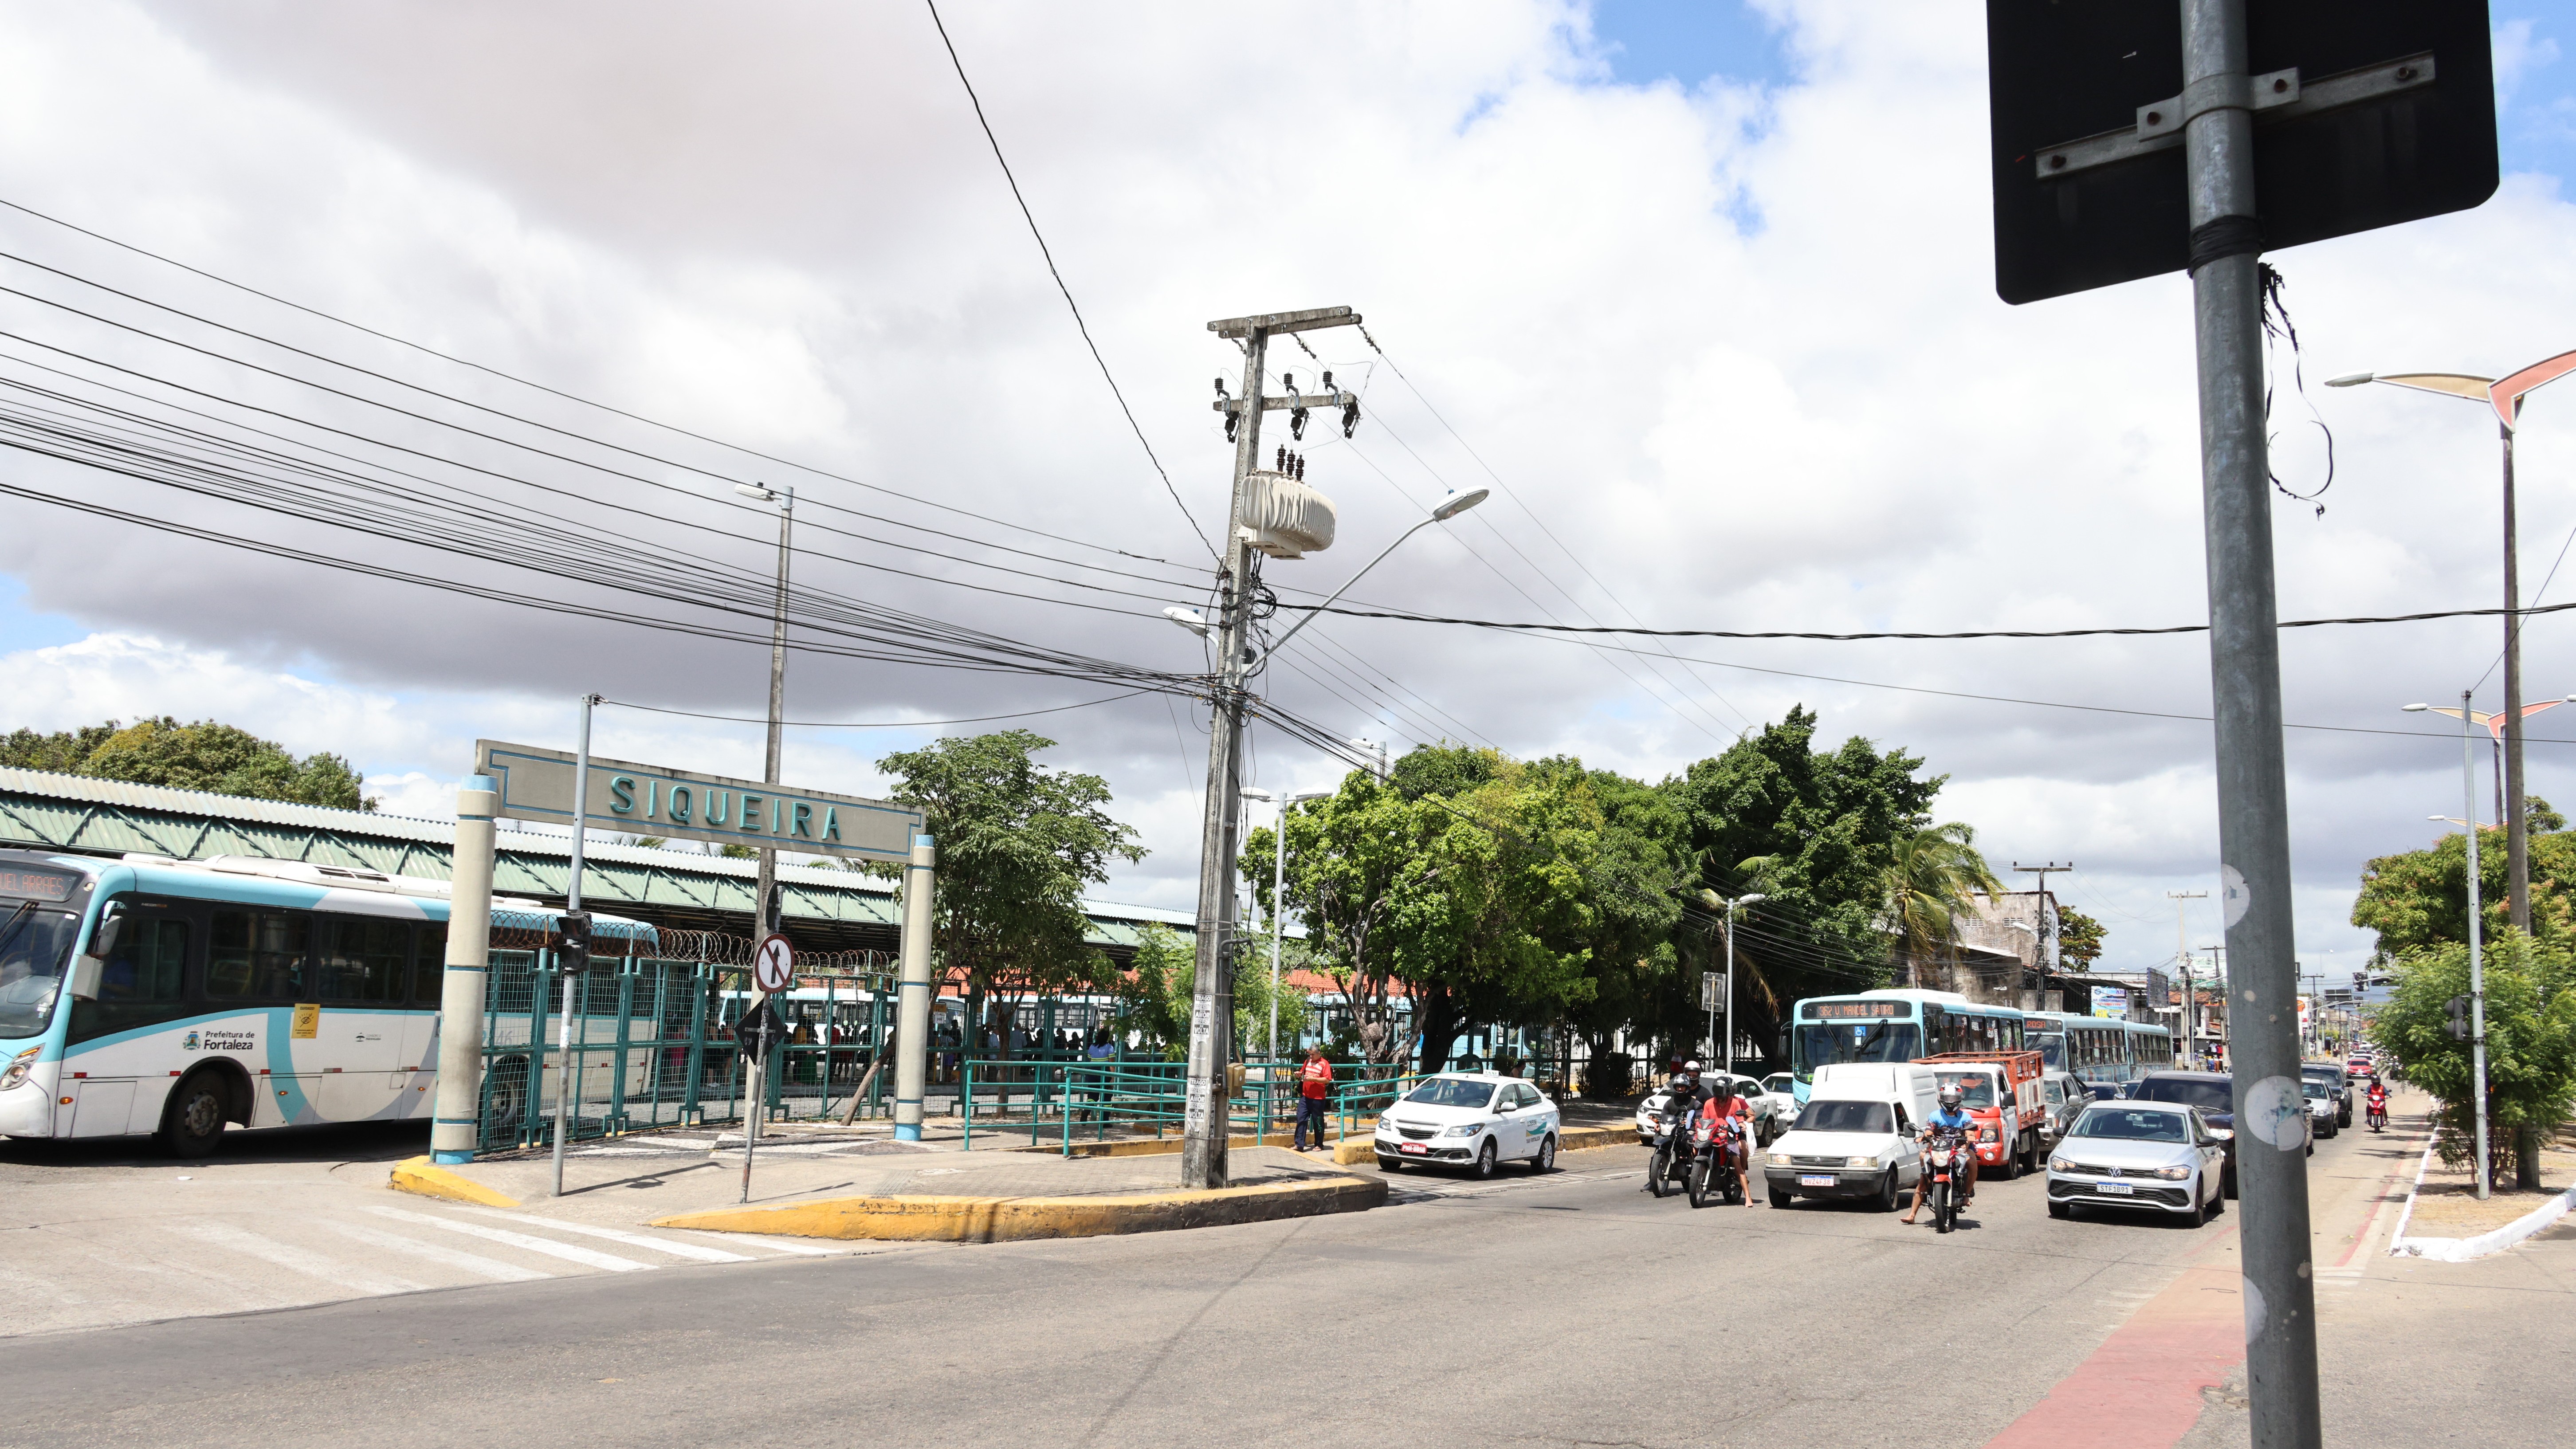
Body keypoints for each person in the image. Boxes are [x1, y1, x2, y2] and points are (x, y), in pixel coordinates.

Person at [1904, 1083, 1979, 1224]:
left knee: (1972, 1160)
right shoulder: (1935, 1115)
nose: (1950, 1101)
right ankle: (1912, 1215)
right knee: (1922, 1159)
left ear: (1959, 1099)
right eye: (1947, 1098)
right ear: (1941, 1098)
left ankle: (1966, 1194)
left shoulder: (1965, 1117)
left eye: (1953, 1098)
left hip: (1959, 1149)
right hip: (1938, 1149)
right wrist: (1924, 1137)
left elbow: (1970, 1132)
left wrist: (1970, 1138)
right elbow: (1929, 1132)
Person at [1696, 1079, 1756, 1206]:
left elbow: (1740, 1121)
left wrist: (1741, 1126)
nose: (1719, 1093)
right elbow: (1704, 1121)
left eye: (1722, 1090)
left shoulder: (1735, 1103)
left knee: (1737, 1165)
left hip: (1730, 1137)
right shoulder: (1709, 1103)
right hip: (1712, 1135)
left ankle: (1748, 1198)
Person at [1293, 1045, 1333, 1151]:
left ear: (1319, 1053)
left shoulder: (1324, 1064)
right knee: (1301, 1118)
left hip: (1318, 1099)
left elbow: (1327, 1080)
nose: (1311, 1056)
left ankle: (1319, 1144)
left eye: (1313, 1055)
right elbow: (1304, 1073)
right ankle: (1299, 1144)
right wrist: (1300, 1074)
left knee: (1318, 1122)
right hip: (1305, 1097)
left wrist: (1313, 1079)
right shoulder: (1308, 1061)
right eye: (1310, 1054)